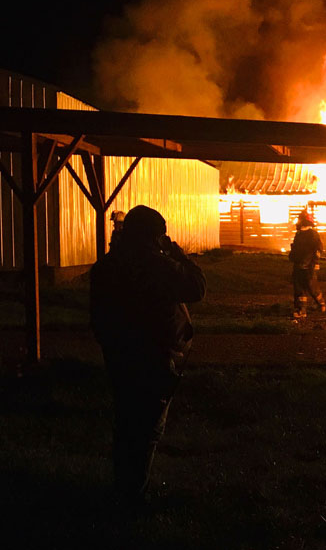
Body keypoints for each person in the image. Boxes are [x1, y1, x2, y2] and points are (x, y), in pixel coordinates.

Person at [90, 205, 206, 506]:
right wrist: (177, 253)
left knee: (126, 421)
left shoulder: (106, 267)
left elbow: (98, 316)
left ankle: (123, 486)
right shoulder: (157, 265)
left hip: (119, 355)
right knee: (147, 429)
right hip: (153, 358)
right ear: (154, 235)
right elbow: (196, 287)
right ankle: (133, 495)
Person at [290, 209, 326, 318]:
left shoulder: (312, 234)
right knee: (299, 288)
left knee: (311, 287)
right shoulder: (299, 234)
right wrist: (293, 256)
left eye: (299, 220)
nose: (297, 222)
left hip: (308, 266)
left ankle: (321, 304)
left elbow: (318, 249)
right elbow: (296, 248)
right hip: (298, 265)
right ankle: (301, 310)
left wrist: (315, 263)